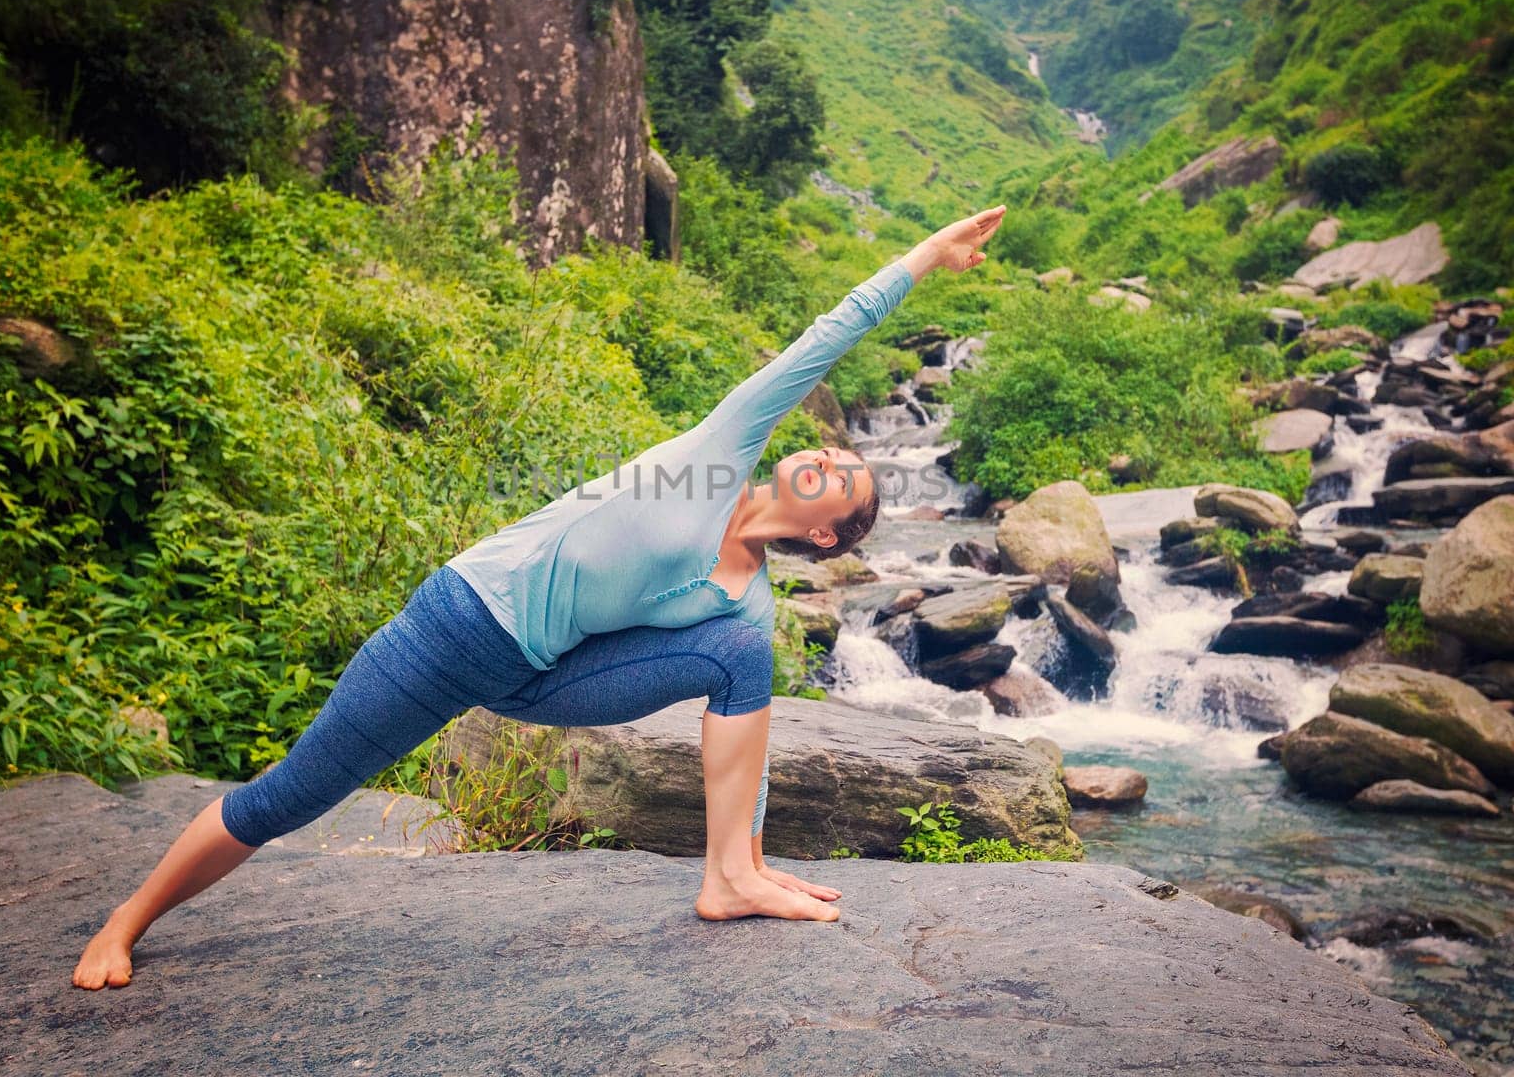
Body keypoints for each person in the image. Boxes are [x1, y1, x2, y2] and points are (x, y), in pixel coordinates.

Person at [72, 204, 1006, 990]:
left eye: (845, 474)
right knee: (289, 798)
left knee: (742, 657)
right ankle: (128, 920)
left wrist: (755, 849)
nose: (829, 456)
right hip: (455, 626)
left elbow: (746, 742)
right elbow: (831, 331)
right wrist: (926, 256)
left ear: (829, 535)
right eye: (831, 451)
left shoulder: (745, 605)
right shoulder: (720, 452)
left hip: (542, 679)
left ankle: (731, 877)